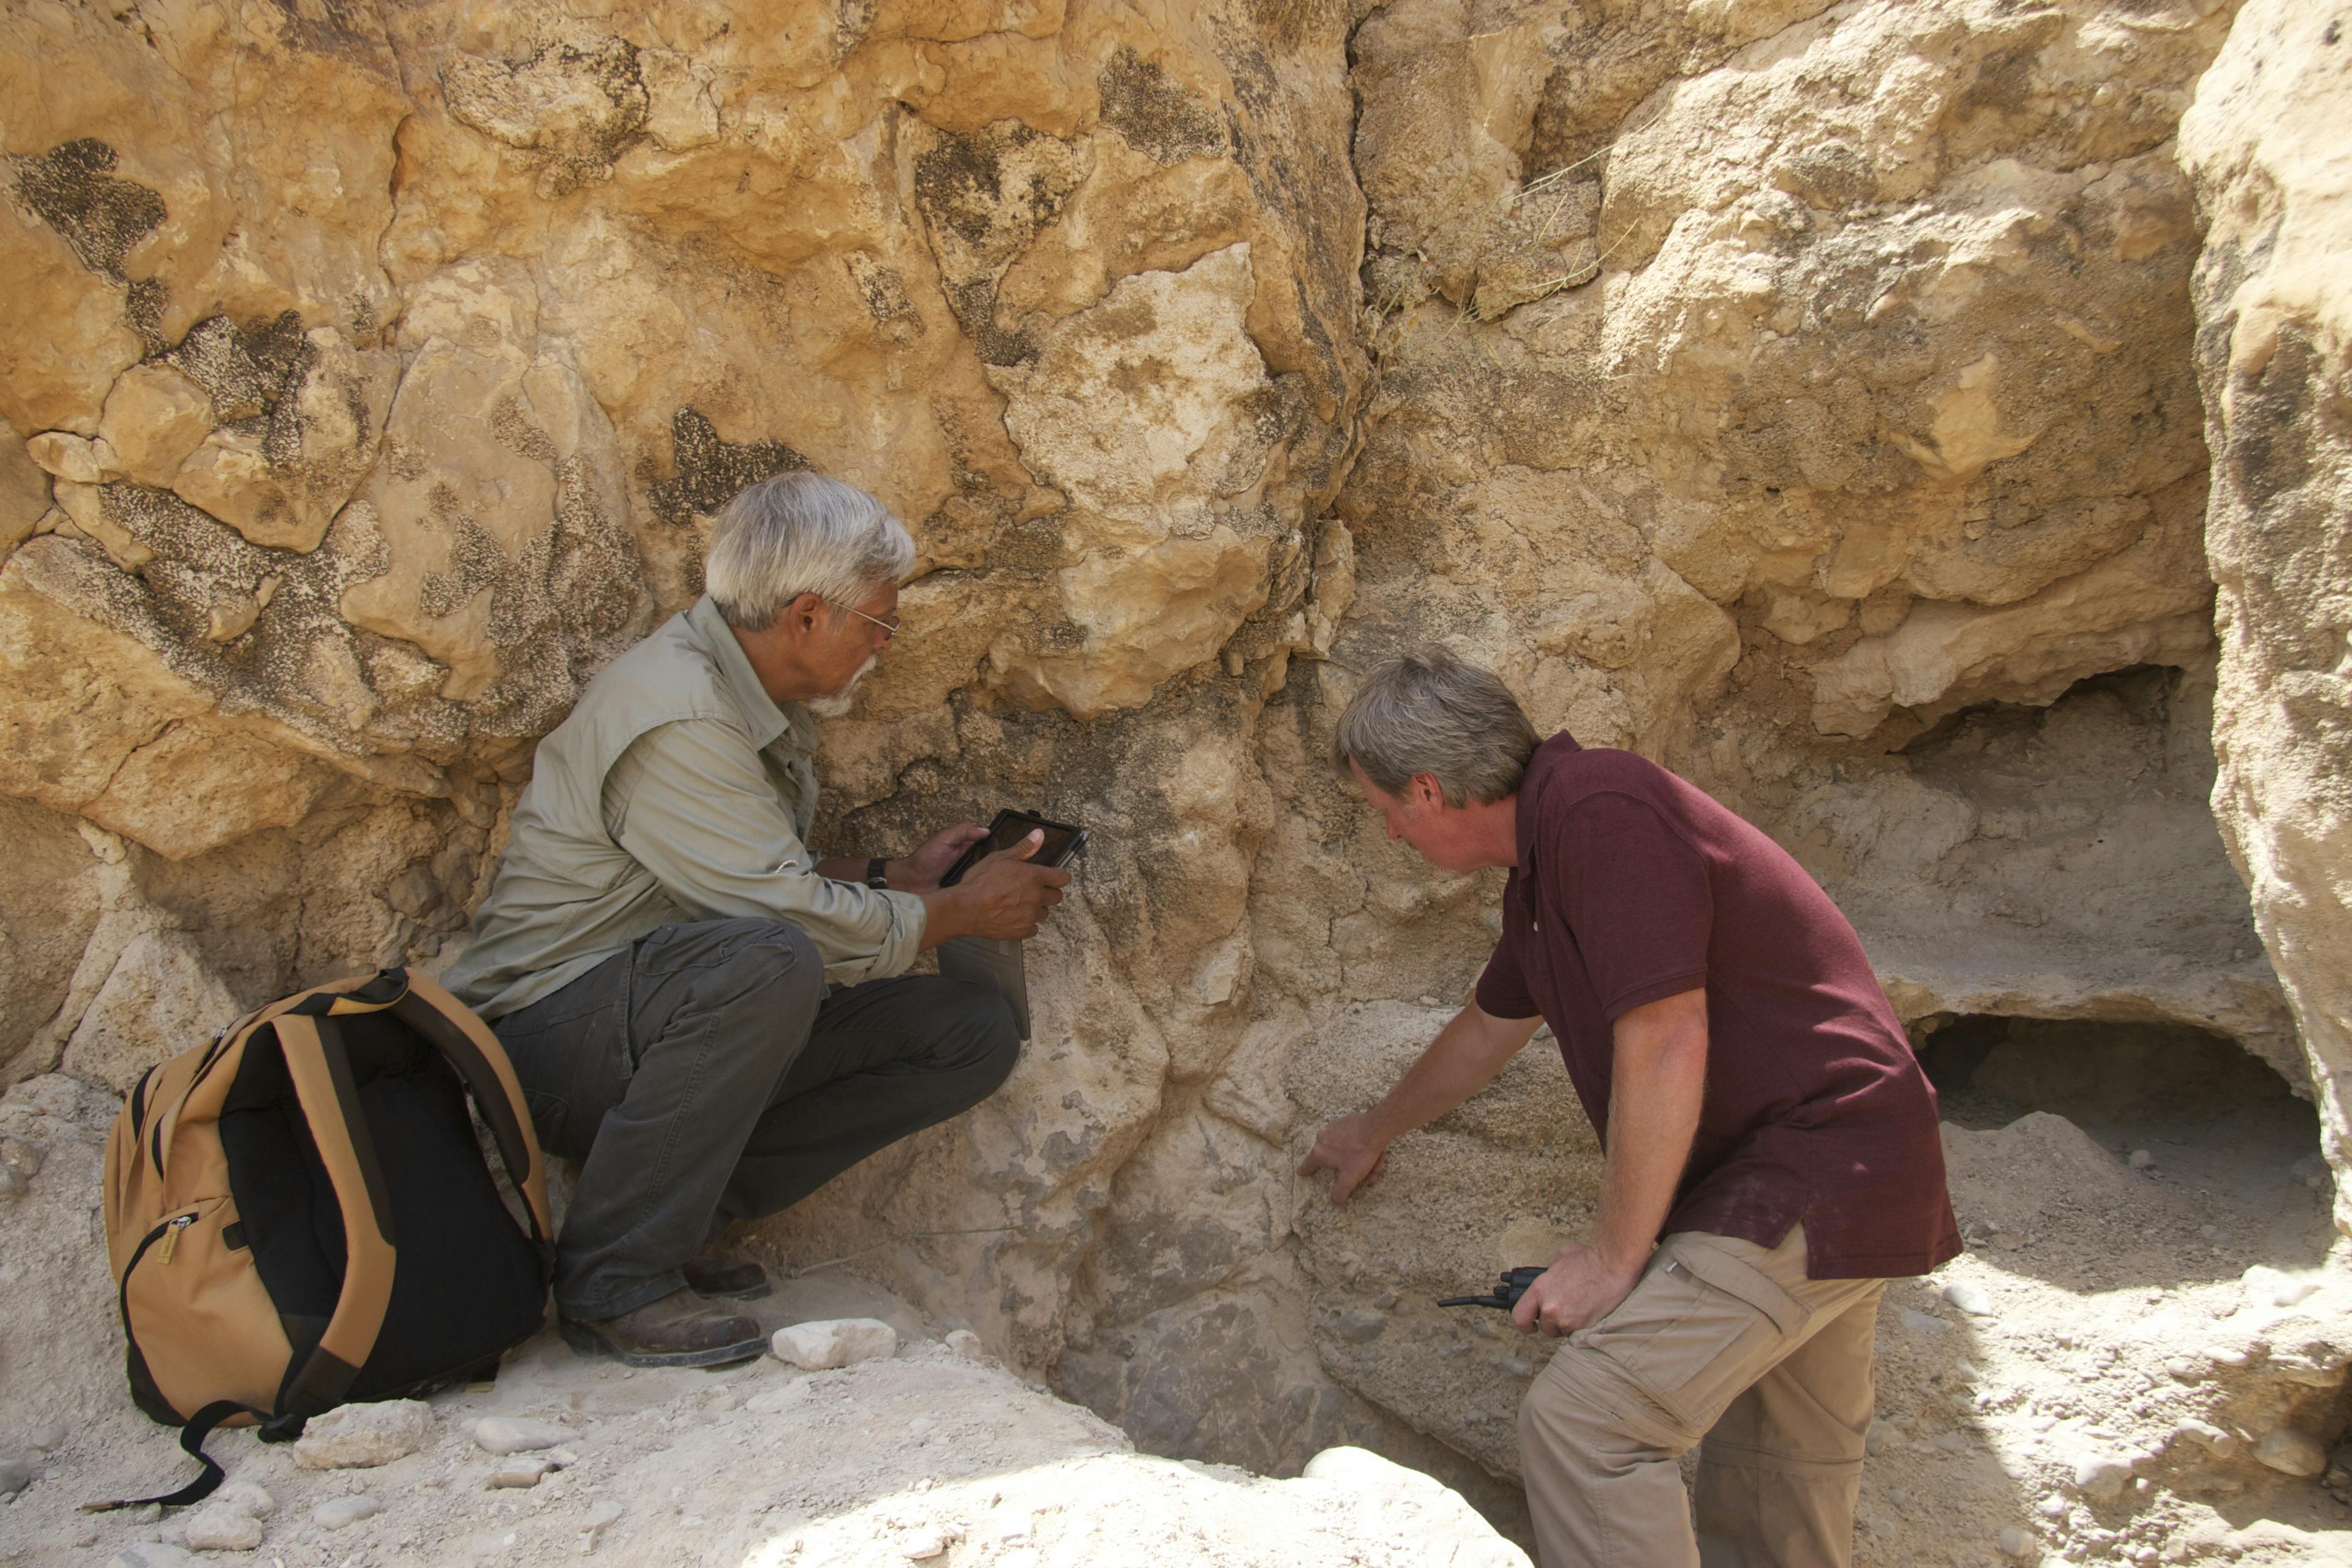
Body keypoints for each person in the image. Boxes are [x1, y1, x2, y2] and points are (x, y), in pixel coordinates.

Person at [1297, 648, 1959, 1568]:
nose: (1392, 838)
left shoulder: (1599, 807)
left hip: (1810, 1170)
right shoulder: (1545, 875)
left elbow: (1665, 1036)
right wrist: (1373, 1130)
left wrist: (1614, 1258)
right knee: (1777, 1480)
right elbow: (1487, 1031)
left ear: (1429, 792)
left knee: (1588, 1426)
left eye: (1383, 813)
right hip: (1846, 1174)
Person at [443, 470, 1069, 1368]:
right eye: (879, 624)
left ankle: (684, 1213)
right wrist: (962, 910)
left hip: (652, 1014)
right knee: (773, 959)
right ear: (809, 617)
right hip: (547, 1035)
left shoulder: (743, 699)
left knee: (970, 1030)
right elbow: (781, 921)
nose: (883, 648)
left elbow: (753, 875)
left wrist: (903, 876)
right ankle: (614, 1279)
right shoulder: (682, 710)